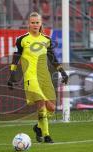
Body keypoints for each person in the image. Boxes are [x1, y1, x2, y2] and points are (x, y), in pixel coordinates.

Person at [8, 12, 68, 143]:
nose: (35, 25)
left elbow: (52, 58)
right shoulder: (22, 40)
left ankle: (38, 127)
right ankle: (46, 135)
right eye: (32, 22)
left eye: (37, 22)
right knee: (41, 103)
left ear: (41, 24)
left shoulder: (46, 40)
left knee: (51, 108)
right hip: (30, 77)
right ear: (28, 24)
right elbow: (16, 58)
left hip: (44, 78)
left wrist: (62, 71)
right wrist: (12, 74)